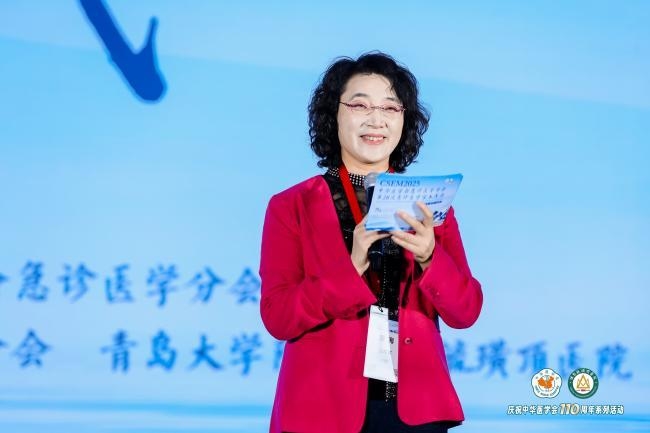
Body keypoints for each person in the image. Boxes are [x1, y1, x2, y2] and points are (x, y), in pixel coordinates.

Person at [259, 52, 483, 433]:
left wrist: (430, 258)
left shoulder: (429, 204)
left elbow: (466, 311)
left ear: (404, 120)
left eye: (390, 107)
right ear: (333, 114)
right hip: (321, 409)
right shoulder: (291, 206)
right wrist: (349, 268)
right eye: (360, 105)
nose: (376, 119)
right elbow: (278, 316)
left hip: (415, 411)